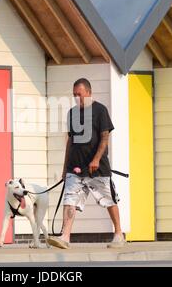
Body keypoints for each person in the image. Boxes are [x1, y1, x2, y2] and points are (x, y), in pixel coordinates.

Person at [47, 78, 125, 249]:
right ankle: (65, 236)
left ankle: (119, 233)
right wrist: (65, 167)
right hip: (75, 167)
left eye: (79, 95)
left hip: (98, 168)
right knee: (70, 200)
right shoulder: (72, 113)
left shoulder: (100, 110)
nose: (77, 98)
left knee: (109, 200)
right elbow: (70, 141)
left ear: (89, 93)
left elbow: (105, 136)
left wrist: (97, 158)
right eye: (74, 95)